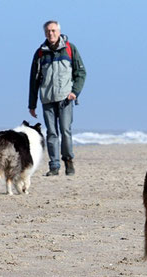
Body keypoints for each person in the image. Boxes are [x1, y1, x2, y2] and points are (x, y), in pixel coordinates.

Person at [28, 20, 86, 176]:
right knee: (52, 133)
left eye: (53, 30)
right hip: (47, 99)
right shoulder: (40, 52)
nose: (50, 33)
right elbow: (33, 80)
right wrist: (31, 104)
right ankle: (54, 166)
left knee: (65, 131)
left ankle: (68, 161)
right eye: (48, 31)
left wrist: (74, 92)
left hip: (65, 98)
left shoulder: (69, 49)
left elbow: (81, 73)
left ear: (59, 31)